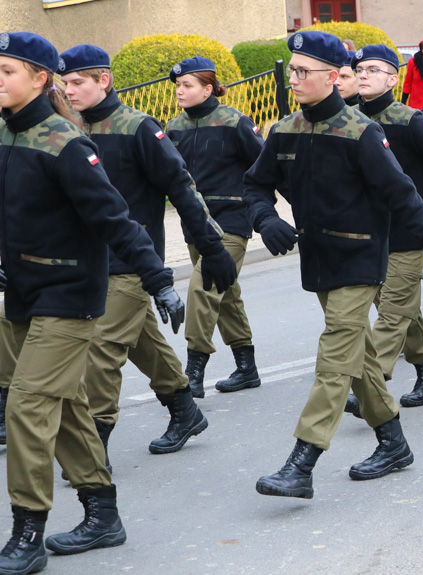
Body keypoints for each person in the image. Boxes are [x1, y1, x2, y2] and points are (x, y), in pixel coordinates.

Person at [244, 32, 423, 498]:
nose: (294, 78)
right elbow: (255, 186)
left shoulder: (361, 131)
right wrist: (265, 220)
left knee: (334, 356)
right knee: (361, 358)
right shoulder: (285, 130)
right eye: (292, 70)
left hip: (363, 261)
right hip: (320, 262)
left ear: (331, 77)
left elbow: (405, 199)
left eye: (303, 71)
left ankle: (301, 463)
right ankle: (394, 444)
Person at [0, 31, 185, 573]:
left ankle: (27, 532)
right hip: (23, 291)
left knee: (27, 407)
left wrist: (159, 279)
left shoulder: (65, 142)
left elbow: (115, 218)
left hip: (71, 294)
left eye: (7, 71)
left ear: (40, 78)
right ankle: (103, 513)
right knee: (68, 406)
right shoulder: (6, 137)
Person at [58, 45, 230, 466]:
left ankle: (92, 444)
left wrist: (212, 246)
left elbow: (181, 187)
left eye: (78, 82)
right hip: (88, 261)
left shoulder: (138, 127)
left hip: (133, 264)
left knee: (102, 347)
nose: (69, 90)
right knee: (141, 339)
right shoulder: (65, 129)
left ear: (104, 80)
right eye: (64, 83)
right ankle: (184, 410)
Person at [349, 44, 423, 408]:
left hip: (408, 231)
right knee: (404, 311)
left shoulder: (410, 119)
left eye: (373, 70)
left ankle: (369, 386)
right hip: (369, 234)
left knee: (390, 315)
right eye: (360, 70)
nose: (364, 75)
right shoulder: (349, 121)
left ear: (392, 78)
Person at [166, 57, 263, 398]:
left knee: (203, 288)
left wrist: (268, 213)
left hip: (232, 221)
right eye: (177, 86)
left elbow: (262, 168)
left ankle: (194, 369)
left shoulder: (234, 121)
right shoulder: (173, 126)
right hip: (195, 224)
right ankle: (246, 366)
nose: (180, 91)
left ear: (208, 88)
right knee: (226, 292)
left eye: (187, 85)